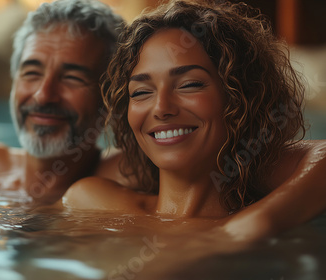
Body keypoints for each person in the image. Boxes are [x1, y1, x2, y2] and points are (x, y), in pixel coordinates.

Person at [61, 0, 326, 240]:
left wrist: (260, 221)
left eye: (189, 85)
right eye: (141, 92)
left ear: (240, 97)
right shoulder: (90, 201)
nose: (161, 108)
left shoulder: (255, 226)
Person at [0, 0, 130, 204]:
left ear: (111, 96)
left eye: (72, 78)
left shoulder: (128, 182)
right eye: (32, 73)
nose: (43, 95)